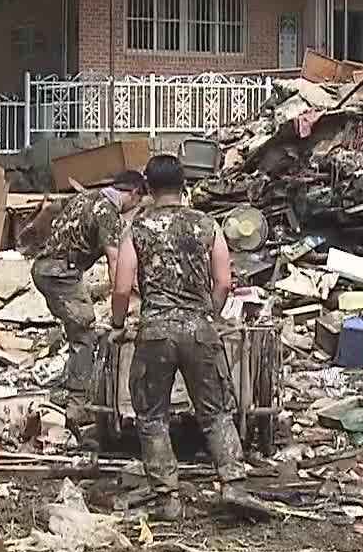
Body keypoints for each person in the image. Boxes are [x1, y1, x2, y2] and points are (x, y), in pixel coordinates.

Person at [110, 154, 265, 519]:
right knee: (215, 413)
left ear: (147, 187)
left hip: (155, 333)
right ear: (184, 186)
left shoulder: (137, 228)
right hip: (199, 330)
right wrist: (205, 315)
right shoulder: (208, 225)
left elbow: (121, 287)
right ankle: (233, 484)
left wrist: (118, 323)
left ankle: (168, 499)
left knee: (152, 417)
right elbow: (224, 282)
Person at [29, 170, 146, 360]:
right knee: (85, 329)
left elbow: (53, 208)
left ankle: (74, 375)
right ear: (134, 193)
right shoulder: (108, 213)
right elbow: (115, 262)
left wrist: (33, 238)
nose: (135, 207)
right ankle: (79, 386)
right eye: (138, 201)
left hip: (44, 267)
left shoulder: (86, 196)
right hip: (60, 274)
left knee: (78, 324)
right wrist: (120, 311)